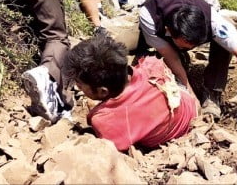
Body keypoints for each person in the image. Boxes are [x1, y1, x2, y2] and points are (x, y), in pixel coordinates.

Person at [138, 0, 237, 129]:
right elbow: (171, 57)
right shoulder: (150, 17)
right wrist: (190, 94)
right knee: (156, 61)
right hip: (161, 37)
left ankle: (212, 93)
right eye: (187, 45)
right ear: (169, 31)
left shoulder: (214, 22)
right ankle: (180, 69)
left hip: (186, 29)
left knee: (225, 46)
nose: (193, 47)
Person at [64, 34, 198, 151]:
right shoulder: (151, 64)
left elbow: (114, 146)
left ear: (103, 91)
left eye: (80, 85)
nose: (78, 87)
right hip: (190, 108)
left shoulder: (104, 119)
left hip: (182, 130)